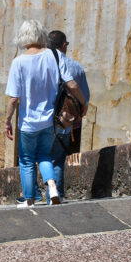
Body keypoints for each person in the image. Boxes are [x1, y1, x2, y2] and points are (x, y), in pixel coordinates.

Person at [4, 20, 86, 207]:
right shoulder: (53, 55)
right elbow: (71, 84)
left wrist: (7, 121)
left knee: (26, 160)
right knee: (44, 157)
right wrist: (83, 102)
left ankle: (30, 199)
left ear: (23, 37)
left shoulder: (18, 62)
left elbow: (14, 99)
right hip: (48, 122)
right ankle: (52, 188)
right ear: (41, 35)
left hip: (28, 124)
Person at [47, 30, 90, 203]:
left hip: (39, 120)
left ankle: (32, 197)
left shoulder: (36, 63)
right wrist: (82, 105)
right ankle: (55, 197)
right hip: (62, 121)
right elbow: (84, 97)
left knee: (36, 157)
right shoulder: (75, 67)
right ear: (64, 45)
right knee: (57, 160)